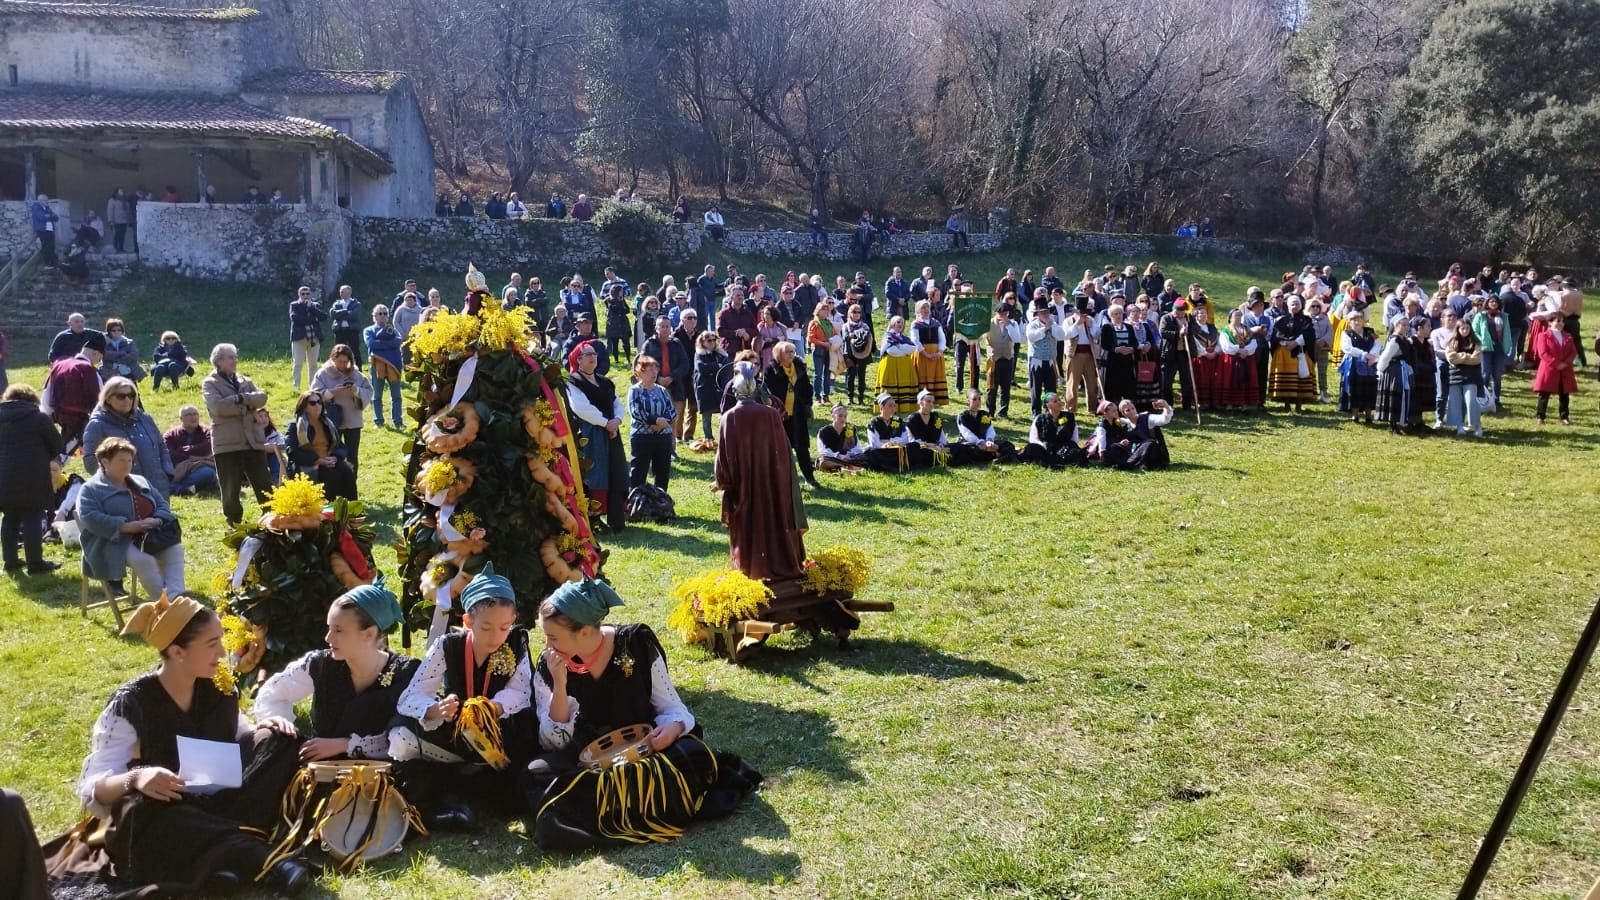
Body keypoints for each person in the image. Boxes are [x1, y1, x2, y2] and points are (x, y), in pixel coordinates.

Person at [72, 595, 312, 895]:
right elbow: (92, 786)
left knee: (280, 740)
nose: (222, 652)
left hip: (220, 802)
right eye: (212, 644)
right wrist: (137, 777)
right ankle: (260, 859)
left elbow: (236, 732)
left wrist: (262, 731)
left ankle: (219, 859)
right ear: (177, 652)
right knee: (140, 806)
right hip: (169, 813)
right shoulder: (132, 704)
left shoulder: (218, 685)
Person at [525, 577, 760, 849]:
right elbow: (552, 742)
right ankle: (640, 807)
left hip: (644, 755)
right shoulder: (549, 664)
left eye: (553, 637)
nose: (547, 645)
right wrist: (561, 686)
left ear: (586, 632)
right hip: (585, 763)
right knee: (536, 773)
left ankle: (606, 811)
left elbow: (672, 708)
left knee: (693, 755)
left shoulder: (634, 644)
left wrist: (672, 729)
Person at [253, 581, 420, 765]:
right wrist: (280, 721)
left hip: (381, 780)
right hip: (320, 771)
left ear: (369, 634)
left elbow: (411, 739)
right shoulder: (321, 664)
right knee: (273, 739)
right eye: (329, 628)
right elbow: (271, 695)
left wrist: (345, 745)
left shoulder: (406, 673)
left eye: (338, 630)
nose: (328, 638)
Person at [714, 367, 808, 578]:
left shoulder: (729, 417)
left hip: (743, 483)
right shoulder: (771, 414)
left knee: (750, 521)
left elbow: (724, 457)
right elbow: (784, 452)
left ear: (735, 392)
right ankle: (779, 559)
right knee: (774, 516)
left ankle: (752, 566)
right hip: (772, 480)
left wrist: (723, 481)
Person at [76, 437, 184, 597]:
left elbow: (162, 506)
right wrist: (124, 526)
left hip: (149, 536)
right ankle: (167, 605)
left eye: (129, 460)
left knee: (175, 550)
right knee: (145, 561)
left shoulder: (140, 481)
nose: (127, 464)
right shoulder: (90, 489)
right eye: (121, 460)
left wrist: (156, 520)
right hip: (110, 543)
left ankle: (177, 597)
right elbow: (90, 517)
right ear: (105, 461)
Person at [201, 344, 271, 526]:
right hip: (227, 445)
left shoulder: (245, 380)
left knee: (265, 486)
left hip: (253, 442)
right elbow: (218, 408)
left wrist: (240, 399)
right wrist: (246, 403)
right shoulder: (210, 383)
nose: (235, 360)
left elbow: (262, 398)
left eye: (235, 356)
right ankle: (235, 524)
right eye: (230, 357)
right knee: (230, 490)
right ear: (218, 361)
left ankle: (272, 520)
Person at [0, 384, 63, 574]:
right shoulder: (39, 418)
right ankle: (35, 562)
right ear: (32, 400)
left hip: (3, 473)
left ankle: (10, 561)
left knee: (10, 517)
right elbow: (57, 444)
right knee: (33, 515)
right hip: (33, 474)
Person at [566, 341, 627, 532]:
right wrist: (605, 423)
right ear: (578, 359)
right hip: (590, 433)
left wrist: (616, 420)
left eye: (594, 354)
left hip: (611, 432)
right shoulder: (573, 381)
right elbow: (581, 408)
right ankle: (593, 520)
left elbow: (617, 403)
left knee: (615, 471)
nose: (593, 357)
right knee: (594, 475)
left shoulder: (604, 381)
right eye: (588, 354)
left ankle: (616, 517)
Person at [83, 377, 174, 499]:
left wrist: (167, 472)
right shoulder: (97, 425)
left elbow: (161, 446)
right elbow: (90, 460)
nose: (127, 399)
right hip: (123, 494)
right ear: (108, 398)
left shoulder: (145, 419)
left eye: (131, 395)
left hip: (158, 488)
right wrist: (115, 482)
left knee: (162, 518)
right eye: (121, 396)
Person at [310, 344, 373, 474]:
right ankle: (334, 484)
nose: (343, 365)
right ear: (333, 359)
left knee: (352, 455)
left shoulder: (356, 374)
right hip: (331, 421)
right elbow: (313, 395)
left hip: (353, 421)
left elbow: (368, 390)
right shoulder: (323, 374)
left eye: (346, 362)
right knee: (332, 454)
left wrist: (356, 390)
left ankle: (351, 485)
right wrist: (331, 392)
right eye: (340, 361)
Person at [763, 342, 818, 488]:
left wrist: (807, 403)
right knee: (781, 450)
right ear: (779, 353)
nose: (791, 354)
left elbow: (807, 387)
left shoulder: (799, 368)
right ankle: (782, 481)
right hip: (780, 417)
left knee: (802, 448)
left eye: (793, 351)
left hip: (798, 415)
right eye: (788, 351)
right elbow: (769, 392)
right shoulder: (771, 370)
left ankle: (809, 478)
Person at [285, 391, 357, 501]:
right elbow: (291, 451)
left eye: (319, 402)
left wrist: (336, 457)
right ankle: (330, 514)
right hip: (309, 463)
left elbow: (340, 446)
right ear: (304, 406)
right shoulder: (295, 426)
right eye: (312, 403)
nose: (317, 405)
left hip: (329, 460)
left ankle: (353, 511)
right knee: (329, 476)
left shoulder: (328, 423)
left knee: (348, 473)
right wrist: (317, 460)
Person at [43, 330, 105, 452]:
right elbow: (100, 399)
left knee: (66, 445)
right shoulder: (89, 370)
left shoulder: (60, 364)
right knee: (68, 449)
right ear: (95, 353)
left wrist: (47, 413)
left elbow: (47, 390)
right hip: (78, 418)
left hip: (58, 414)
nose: (99, 361)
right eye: (100, 358)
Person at [626, 356, 676, 495]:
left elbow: (671, 411)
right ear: (640, 372)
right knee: (638, 472)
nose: (654, 373)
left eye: (656, 369)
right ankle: (634, 503)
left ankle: (660, 504)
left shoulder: (662, 390)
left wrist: (661, 423)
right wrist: (654, 421)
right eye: (650, 369)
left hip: (663, 437)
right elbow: (635, 412)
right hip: (642, 437)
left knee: (662, 473)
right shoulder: (634, 391)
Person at [1267, 296, 1318, 412]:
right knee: (1285, 380)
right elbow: (1276, 335)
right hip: (1284, 353)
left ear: (1301, 305)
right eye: (1292, 304)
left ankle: (1299, 405)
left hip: (1301, 352)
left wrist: (1296, 342)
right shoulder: (1281, 320)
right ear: (1288, 306)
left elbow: (1309, 334)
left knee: (1301, 379)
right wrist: (1286, 343)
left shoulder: (1306, 320)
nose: (1294, 306)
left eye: (1297, 304)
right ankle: (1286, 404)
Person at [1532, 310, 1577, 425]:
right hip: (1549, 369)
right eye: (1558, 321)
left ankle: (1564, 417)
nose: (1561, 323)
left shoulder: (1568, 336)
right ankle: (1540, 416)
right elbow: (1543, 353)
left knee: (1564, 394)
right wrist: (1557, 364)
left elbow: (1573, 352)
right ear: (1550, 322)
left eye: (1563, 321)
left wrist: (1565, 363)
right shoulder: (1543, 336)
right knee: (1544, 394)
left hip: (1565, 370)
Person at [364, 306, 405, 429]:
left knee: (396, 395)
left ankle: (398, 421)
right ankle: (378, 421)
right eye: (380, 313)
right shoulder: (368, 330)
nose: (382, 316)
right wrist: (389, 345)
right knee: (377, 395)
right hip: (377, 366)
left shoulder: (392, 330)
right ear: (374, 316)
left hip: (394, 365)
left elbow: (398, 341)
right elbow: (371, 344)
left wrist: (380, 344)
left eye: (385, 313)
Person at [163, 405, 218, 496]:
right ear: (181, 419)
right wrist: (190, 457)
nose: (193, 417)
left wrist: (181, 450)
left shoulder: (207, 432)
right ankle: (184, 488)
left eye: (195, 414)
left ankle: (175, 488)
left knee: (208, 473)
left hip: (200, 468)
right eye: (188, 415)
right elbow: (169, 453)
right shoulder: (170, 435)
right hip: (177, 470)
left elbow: (207, 447)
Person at [1019, 392, 1084, 468]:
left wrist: (1068, 446)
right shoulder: (1040, 418)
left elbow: (1074, 438)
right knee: (1031, 448)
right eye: (1055, 401)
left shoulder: (1069, 417)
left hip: (1064, 448)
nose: (1059, 403)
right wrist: (1042, 445)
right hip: (1046, 449)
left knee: (1075, 450)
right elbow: (1033, 438)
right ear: (1047, 405)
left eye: (1059, 400)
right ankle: (1045, 462)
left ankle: (1064, 463)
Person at [1337, 310, 1380, 423]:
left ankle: (1369, 414)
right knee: (1354, 388)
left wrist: (1372, 355)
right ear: (1349, 322)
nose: (1356, 322)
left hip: (1370, 363)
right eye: (1353, 320)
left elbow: (1377, 344)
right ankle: (1355, 414)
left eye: (1359, 319)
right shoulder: (1346, 333)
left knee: (1369, 388)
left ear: (1363, 320)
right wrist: (1364, 354)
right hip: (1353, 364)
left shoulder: (1370, 332)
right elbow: (1347, 348)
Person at [689, 331, 730, 449]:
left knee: (724, 413)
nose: (712, 343)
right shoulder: (699, 354)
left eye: (713, 340)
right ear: (702, 342)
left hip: (720, 388)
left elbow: (727, 367)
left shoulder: (721, 354)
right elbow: (702, 368)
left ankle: (724, 438)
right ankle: (709, 439)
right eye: (709, 340)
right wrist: (717, 366)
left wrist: (715, 368)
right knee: (706, 417)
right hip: (705, 389)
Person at [1444, 318, 1484, 438]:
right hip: (1454, 375)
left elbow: (1476, 359)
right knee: (1455, 402)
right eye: (1462, 328)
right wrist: (1466, 356)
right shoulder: (1452, 342)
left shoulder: (1476, 342)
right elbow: (1451, 358)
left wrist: (1461, 357)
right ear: (1458, 329)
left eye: (1467, 328)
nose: (1465, 330)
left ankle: (1477, 425)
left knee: (1471, 400)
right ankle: (1459, 426)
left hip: (1471, 376)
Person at [1375, 317, 1416, 434]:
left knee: (1401, 396)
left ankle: (1400, 422)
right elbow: (1385, 357)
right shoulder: (1394, 341)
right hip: (1394, 372)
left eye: (1407, 325)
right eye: (1403, 325)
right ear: (1396, 325)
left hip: (1402, 370)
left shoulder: (1403, 339)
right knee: (1394, 396)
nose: (1406, 327)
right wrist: (1380, 370)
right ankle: (1392, 423)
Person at [1472, 295, 1513, 411]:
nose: (1494, 304)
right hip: (1486, 349)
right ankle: (1482, 398)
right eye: (1491, 302)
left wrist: (1508, 345)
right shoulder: (1481, 316)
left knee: (1497, 375)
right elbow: (1474, 331)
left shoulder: (1504, 316)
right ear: (1487, 303)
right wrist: (1481, 343)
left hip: (1499, 348)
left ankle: (1496, 399)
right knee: (1485, 374)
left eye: (1495, 302)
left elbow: (1507, 332)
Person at [954, 389, 1016, 464]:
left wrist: (989, 440)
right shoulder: (962, 416)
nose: (978, 401)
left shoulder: (984, 414)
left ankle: (995, 453)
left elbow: (990, 429)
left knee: (1008, 445)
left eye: (979, 399)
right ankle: (998, 454)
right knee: (971, 451)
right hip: (971, 444)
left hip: (986, 443)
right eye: (974, 399)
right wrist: (979, 442)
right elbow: (967, 434)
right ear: (968, 401)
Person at [1217, 310, 1261, 410]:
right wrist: (1238, 350)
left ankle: (1244, 403)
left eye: (1240, 315)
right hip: (1232, 359)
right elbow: (1225, 346)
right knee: (1231, 380)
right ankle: (1229, 403)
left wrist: (1246, 351)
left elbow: (1254, 343)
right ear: (1230, 318)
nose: (1238, 317)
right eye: (1236, 315)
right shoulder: (1226, 331)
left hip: (1246, 358)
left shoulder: (1247, 330)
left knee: (1245, 380)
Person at [1157, 299, 1197, 409]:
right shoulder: (1166, 318)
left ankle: (1186, 405)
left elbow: (1195, 331)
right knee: (1168, 381)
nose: (1178, 313)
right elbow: (1163, 332)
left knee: (1186, 380)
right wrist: (1178, 334)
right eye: (1176, 310)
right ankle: (1169, 405)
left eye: (1181, 311)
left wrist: (1188, 331)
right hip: (1170, 354)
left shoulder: (1189, 318)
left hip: (1184, 354)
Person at [907, 300, 948, 406]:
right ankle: (922, 400)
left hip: (936, 355)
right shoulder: (915, 324)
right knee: (922, 377)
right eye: (923, 308)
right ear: (918, 310)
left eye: (927, 307)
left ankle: (935, 400)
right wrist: (926, 354)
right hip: (922, 355)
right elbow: (915, 340)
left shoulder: (936, 323)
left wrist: (939, 352)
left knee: (935, 376)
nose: (926, 310)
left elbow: (942, 338)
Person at [288, 286, 326, 392]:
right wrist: (313, 319)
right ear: (299, 295)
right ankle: (296, 387)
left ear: (310, 295)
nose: (305, 296)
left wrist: (311, 308)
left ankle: (313, 387)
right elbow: (295, 319)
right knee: (298, 363)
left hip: (314, 338)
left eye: (307, 294)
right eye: (303, 294)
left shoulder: (315, 305)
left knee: (313, 364)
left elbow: (323, 317)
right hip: (299, 339)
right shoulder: (294, 305)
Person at [903, 389, 953, 466]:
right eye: (928, 401)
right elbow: (911, 440)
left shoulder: (935, 417)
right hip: (921, 449)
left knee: (957, 447)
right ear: (920, 402)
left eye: (933, 402)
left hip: (936, 448)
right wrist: (928, 445)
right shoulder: (912, 418)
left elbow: (941, 435)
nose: (931, 405)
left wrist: (940, 444)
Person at [815, 402, 869, 473]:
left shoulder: (850, 429)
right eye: (840, 416)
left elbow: (857, 448)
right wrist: (838, 455)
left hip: (849, 458)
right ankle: (849, 467)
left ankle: (844, 467)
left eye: (845, 416)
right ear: (833, 416)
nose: (843, 418)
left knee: (865, 455)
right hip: (833, 458)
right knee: (823, 461)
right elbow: (823, 450)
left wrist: (848, 455)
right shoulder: (824, 431)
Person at [806, 301, 838, 404]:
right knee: (818, 375)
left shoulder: (828, 323)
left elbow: (834, 334)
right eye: (822, 310)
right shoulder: (814, 323)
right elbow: (811, 338)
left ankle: (826, 396)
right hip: (818, 350)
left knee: (827, 374)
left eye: (826, 310)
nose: (825, 312)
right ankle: (817, 398)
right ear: (818, 311)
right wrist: (824, 343)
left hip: (829, 350)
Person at [99, 318, 146, 384]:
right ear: (109, 331)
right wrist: (122, 354)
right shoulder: (104, 342)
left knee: (133, 393)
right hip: (109, 373)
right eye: (113, 330)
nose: (117, 332)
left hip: (128, 372)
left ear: (122, 330)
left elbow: (134, 356)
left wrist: (115, 358)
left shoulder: (129, 342)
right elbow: (104, 355)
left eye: (119, 330)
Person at [329, 285, 365, 366]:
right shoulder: (336, 303)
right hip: (340, 331)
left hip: (352, 331)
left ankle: (357, 369)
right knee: (339, 351)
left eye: (343, 292)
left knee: (355, 351)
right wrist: (346, 311)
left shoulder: (356, 304)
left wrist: (340, 315)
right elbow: (333, 314)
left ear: (349, 293)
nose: (341, 293)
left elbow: (354, 316)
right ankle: (338, 368)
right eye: (340, 292)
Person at [29, 193, 58, 267]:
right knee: (46, 247)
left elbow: (56, 217)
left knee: (52, 247)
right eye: (46, 200)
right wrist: (49, 216)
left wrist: (49, 216)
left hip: (50, 230)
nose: (48, 201)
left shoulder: (47, 208)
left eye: (47, 200)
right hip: (43, 230)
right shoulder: (36, 207)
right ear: (41, 201)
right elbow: (42, 218)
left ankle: (52, 263)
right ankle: (47, 264)